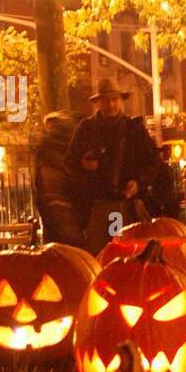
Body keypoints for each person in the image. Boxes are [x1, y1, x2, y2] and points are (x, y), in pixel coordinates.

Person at [66, 78, 156, 252]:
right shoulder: (86, 129)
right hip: (96, 204)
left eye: (114, 99)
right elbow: (70, 162)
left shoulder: (134, 129)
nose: (111, 104)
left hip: (127, 204)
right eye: (106, 100)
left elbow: (151, 163)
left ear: (121, 101)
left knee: (126, 252)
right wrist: (83, 165)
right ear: (98, 103)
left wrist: (137, 182)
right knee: (102, 252)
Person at [33, 110, 87, 248]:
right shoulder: (75, 148)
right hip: (65, 203)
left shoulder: (45, 149)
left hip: (54, 203)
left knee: (58, 248)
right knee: (72, 248)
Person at [144, 145, 181, 220]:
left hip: (162, 196)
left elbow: (152, 176)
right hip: (164, 196)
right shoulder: (159, 164)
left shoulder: (156, 164)